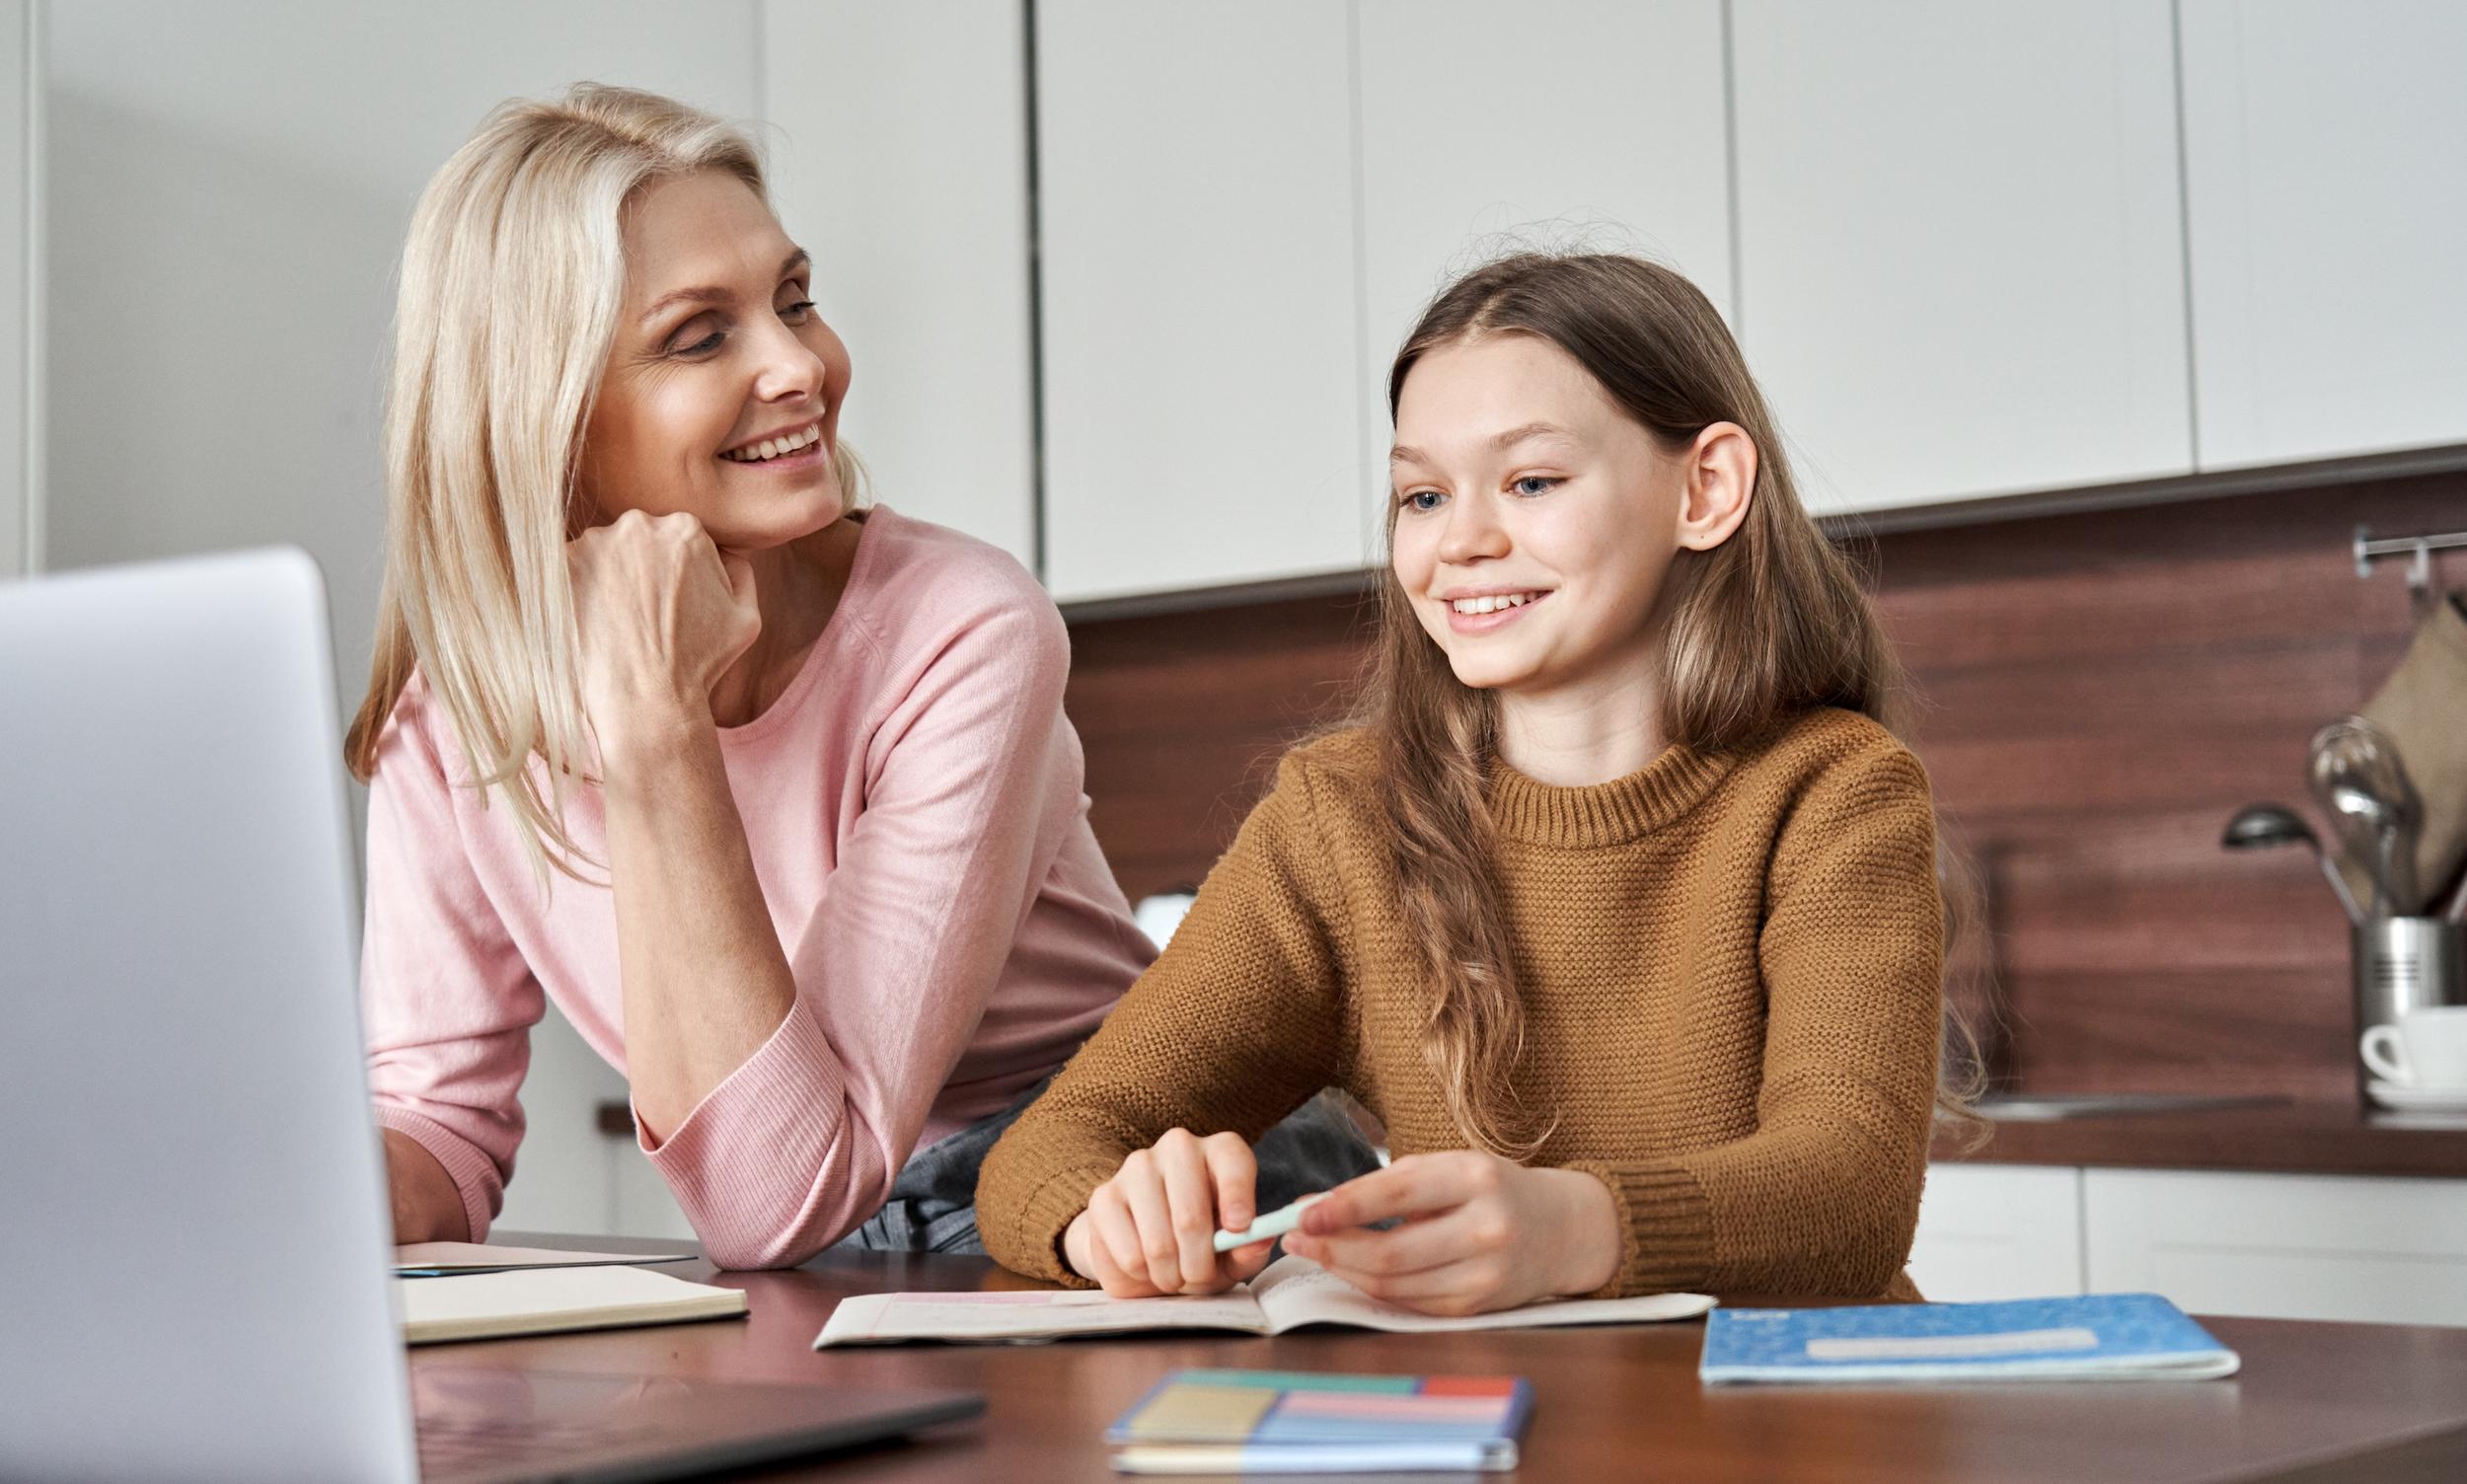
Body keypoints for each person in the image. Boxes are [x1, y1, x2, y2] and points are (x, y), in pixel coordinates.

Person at [349, 85, 1371, 1269]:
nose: (801, 365)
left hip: (1135, 1184)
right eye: (701, 334)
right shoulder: (447, 718)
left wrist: (654, 728)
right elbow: (438, 1132)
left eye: (795, 300)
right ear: (544, 417)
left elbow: (776, 1193)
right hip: (846, 1240)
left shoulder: (959, 629)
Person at [978, 251, 1963, 1312]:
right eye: (1422, 493)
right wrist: (1108, 1218)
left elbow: (1848, 1196)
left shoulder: (1833, 792)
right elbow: (1048, 1148)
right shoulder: (1339, 817)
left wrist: (1578, 1225)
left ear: (1705, 488)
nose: (1462, 540)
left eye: (1532, 480)